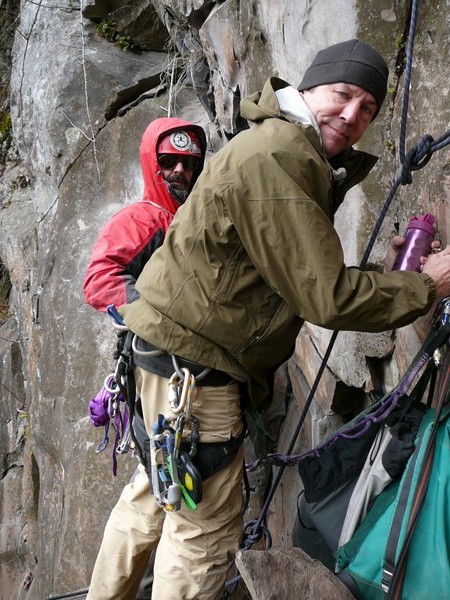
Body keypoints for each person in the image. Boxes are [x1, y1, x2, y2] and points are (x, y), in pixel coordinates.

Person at [118, 39, 450, 600]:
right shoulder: (280, 156)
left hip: (168, 355)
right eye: (342, 95)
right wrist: (427, 285)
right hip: (200, 371)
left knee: (150, 501)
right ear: (309, 87)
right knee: (201, 537)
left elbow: (292, 269)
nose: (352, 116)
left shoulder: (278, 144)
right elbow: (328, 298)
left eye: (368, 108)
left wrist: (393, 275)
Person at [83, 117, 207, 599]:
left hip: (169, 374)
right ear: (151, 163)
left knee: (148, 491)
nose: (179, 170)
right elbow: (98, 282)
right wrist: (156, 318)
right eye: (169, 161)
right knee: (180, 498)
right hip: (163, 375)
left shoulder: (180, 218)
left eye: (188, 163)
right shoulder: (143, 218)